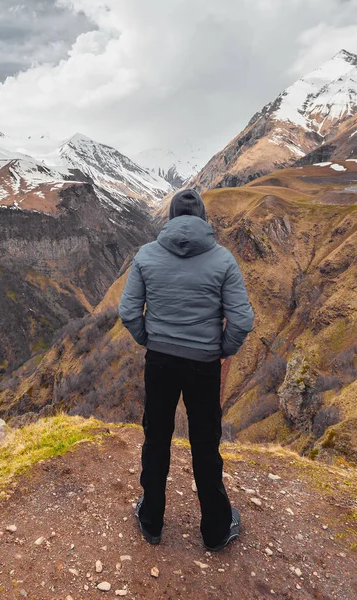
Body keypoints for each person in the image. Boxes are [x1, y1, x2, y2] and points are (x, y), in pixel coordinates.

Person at [118, 188, 254, 551]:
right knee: (206, 444)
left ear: (171, 218)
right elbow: (242, 320)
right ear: (204, 219)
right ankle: (215, 530)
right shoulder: (223, 260)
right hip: (203, 366)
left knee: (157, 439)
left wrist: (151, 339)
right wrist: (219, 350)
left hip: (160, 362)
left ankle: (151, 522)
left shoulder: (146, 256)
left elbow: (129, 312)